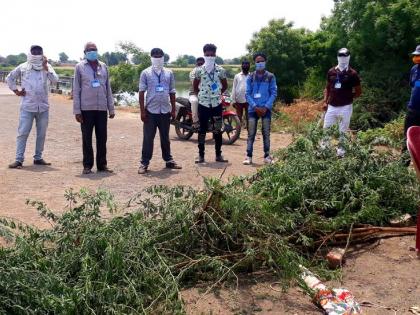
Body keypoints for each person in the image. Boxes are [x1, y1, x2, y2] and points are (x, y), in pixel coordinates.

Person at [6, 45, 58, 169]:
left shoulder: (47, 67)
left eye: (38, 51)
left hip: (43, 107)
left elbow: (55, 80)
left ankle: (38, 158)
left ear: (42, 53)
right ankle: (18, 159)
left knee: (41, 133)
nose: (36, 53)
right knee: (22, 133)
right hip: (27, 106)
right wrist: (16, 91)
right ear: (30, 52)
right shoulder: (23, 66)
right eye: (34, 51)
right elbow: (10, 78)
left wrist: (46, 67)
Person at [73, 42, 115, 175]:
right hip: (86, 108)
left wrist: (111, 108)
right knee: (87, 138)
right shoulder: (79, 67)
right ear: (84, 52)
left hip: (101, 108)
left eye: (94, 49)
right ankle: (87, 165)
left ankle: (102, 165)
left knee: (102, 138)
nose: (93, 51)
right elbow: (76, 89)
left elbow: (108, 88)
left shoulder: (103, 67)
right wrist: (77, 111)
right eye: (90, 50)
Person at [138, 48, 182, 174]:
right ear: (151, 57)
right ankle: (144, 163)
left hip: (165, 111)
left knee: (165, 138)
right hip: (150, 112)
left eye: (160, 55)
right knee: (148, 138)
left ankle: (169, 161)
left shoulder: (169, 73)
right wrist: (142, 111)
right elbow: (141, 93)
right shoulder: (145, 73)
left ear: (163, 57)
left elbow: (172, 92)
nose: (157, 57)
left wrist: (173, 110)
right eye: (155, 55)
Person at [193, 44, 229, 164]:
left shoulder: (221, 70)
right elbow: (195, 86)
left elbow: (225, 85)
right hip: (203, 104)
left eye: (212, 55)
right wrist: (202, 95)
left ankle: (218, 154)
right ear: (204, 55)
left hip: (216, 104)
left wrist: (218, 94)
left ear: (215, 55)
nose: (209, 56)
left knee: (218, 129)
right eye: (207, 55)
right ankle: (201, 155)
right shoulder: (199, 70)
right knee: (202, 130)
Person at [323, 48, 362, 157]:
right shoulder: (331, 71)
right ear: (337, 57)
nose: (342, 58)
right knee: (326, 129)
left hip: (345, 107)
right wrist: (325, 102)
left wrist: (348, 97)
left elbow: (359, 91)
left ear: (348, 57)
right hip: (331, 106)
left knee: (343, 131)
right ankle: (325, 151)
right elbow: (327, 88)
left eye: (345, 56)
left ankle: (341, 154)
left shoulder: (352, 74)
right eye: (340, 55)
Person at [243, 53, 277, 165]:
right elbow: (247, 94)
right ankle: (248, 156)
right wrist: (255, 107)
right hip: (253, 110)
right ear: (254, 63)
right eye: (257, 61)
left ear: (265, 61)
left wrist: (266, 107)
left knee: (266, 133)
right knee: (251, 133)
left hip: (265, 109)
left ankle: (267, 156)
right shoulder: (250, 77)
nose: (260, 63)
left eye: (262, 61)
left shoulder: (271, 76)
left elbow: (273, 93)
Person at [403, 45, 420, 157]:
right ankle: (404, 162)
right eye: (415, 55)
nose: (416, 58)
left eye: (418, 55)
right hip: (412, 108)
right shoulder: (414, 69)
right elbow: (413, 85)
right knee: (407, 136)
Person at [232, 59, 250, 129]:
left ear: (249, 66)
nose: (245, 66)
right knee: (238, 117)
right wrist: (233, 100)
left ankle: (250, 133)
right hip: (238, 100)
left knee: (249, 117)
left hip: (249, 100)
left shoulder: (251, 76)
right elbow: (234, 87)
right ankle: (238, 133)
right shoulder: (237, 76)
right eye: (244, 64)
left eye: (247, 64)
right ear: (241, 66)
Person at [189, 57, 205, 128]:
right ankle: (195, 121)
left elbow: (213, 83)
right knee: (195, 101)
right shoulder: (193, 72)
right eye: (199, 64)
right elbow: (195, 84)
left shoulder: (208, 72)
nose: (200, 65)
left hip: (206, 94)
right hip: (194, 94)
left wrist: (218, 89)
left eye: (202, 64)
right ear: (196, 64)